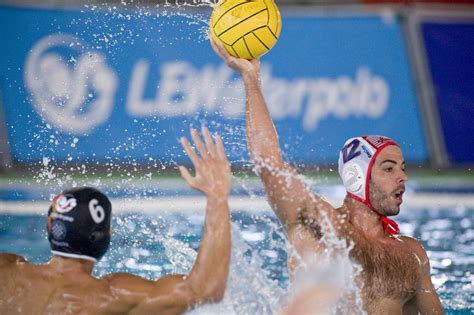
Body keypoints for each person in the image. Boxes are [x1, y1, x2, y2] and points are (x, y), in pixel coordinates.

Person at [211, 41, 444, 314]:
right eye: (389, 168)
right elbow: (269, 164)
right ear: (357, 176)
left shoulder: (411, 255)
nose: (403, 177)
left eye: (403, 168)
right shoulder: (317, 225)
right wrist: (251, 78)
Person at [0, 127, 232, 315]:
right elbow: (204, 289)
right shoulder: (110, 298)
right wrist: (217, 197)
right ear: (103, 237)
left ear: (52, 227)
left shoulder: (6, 271)